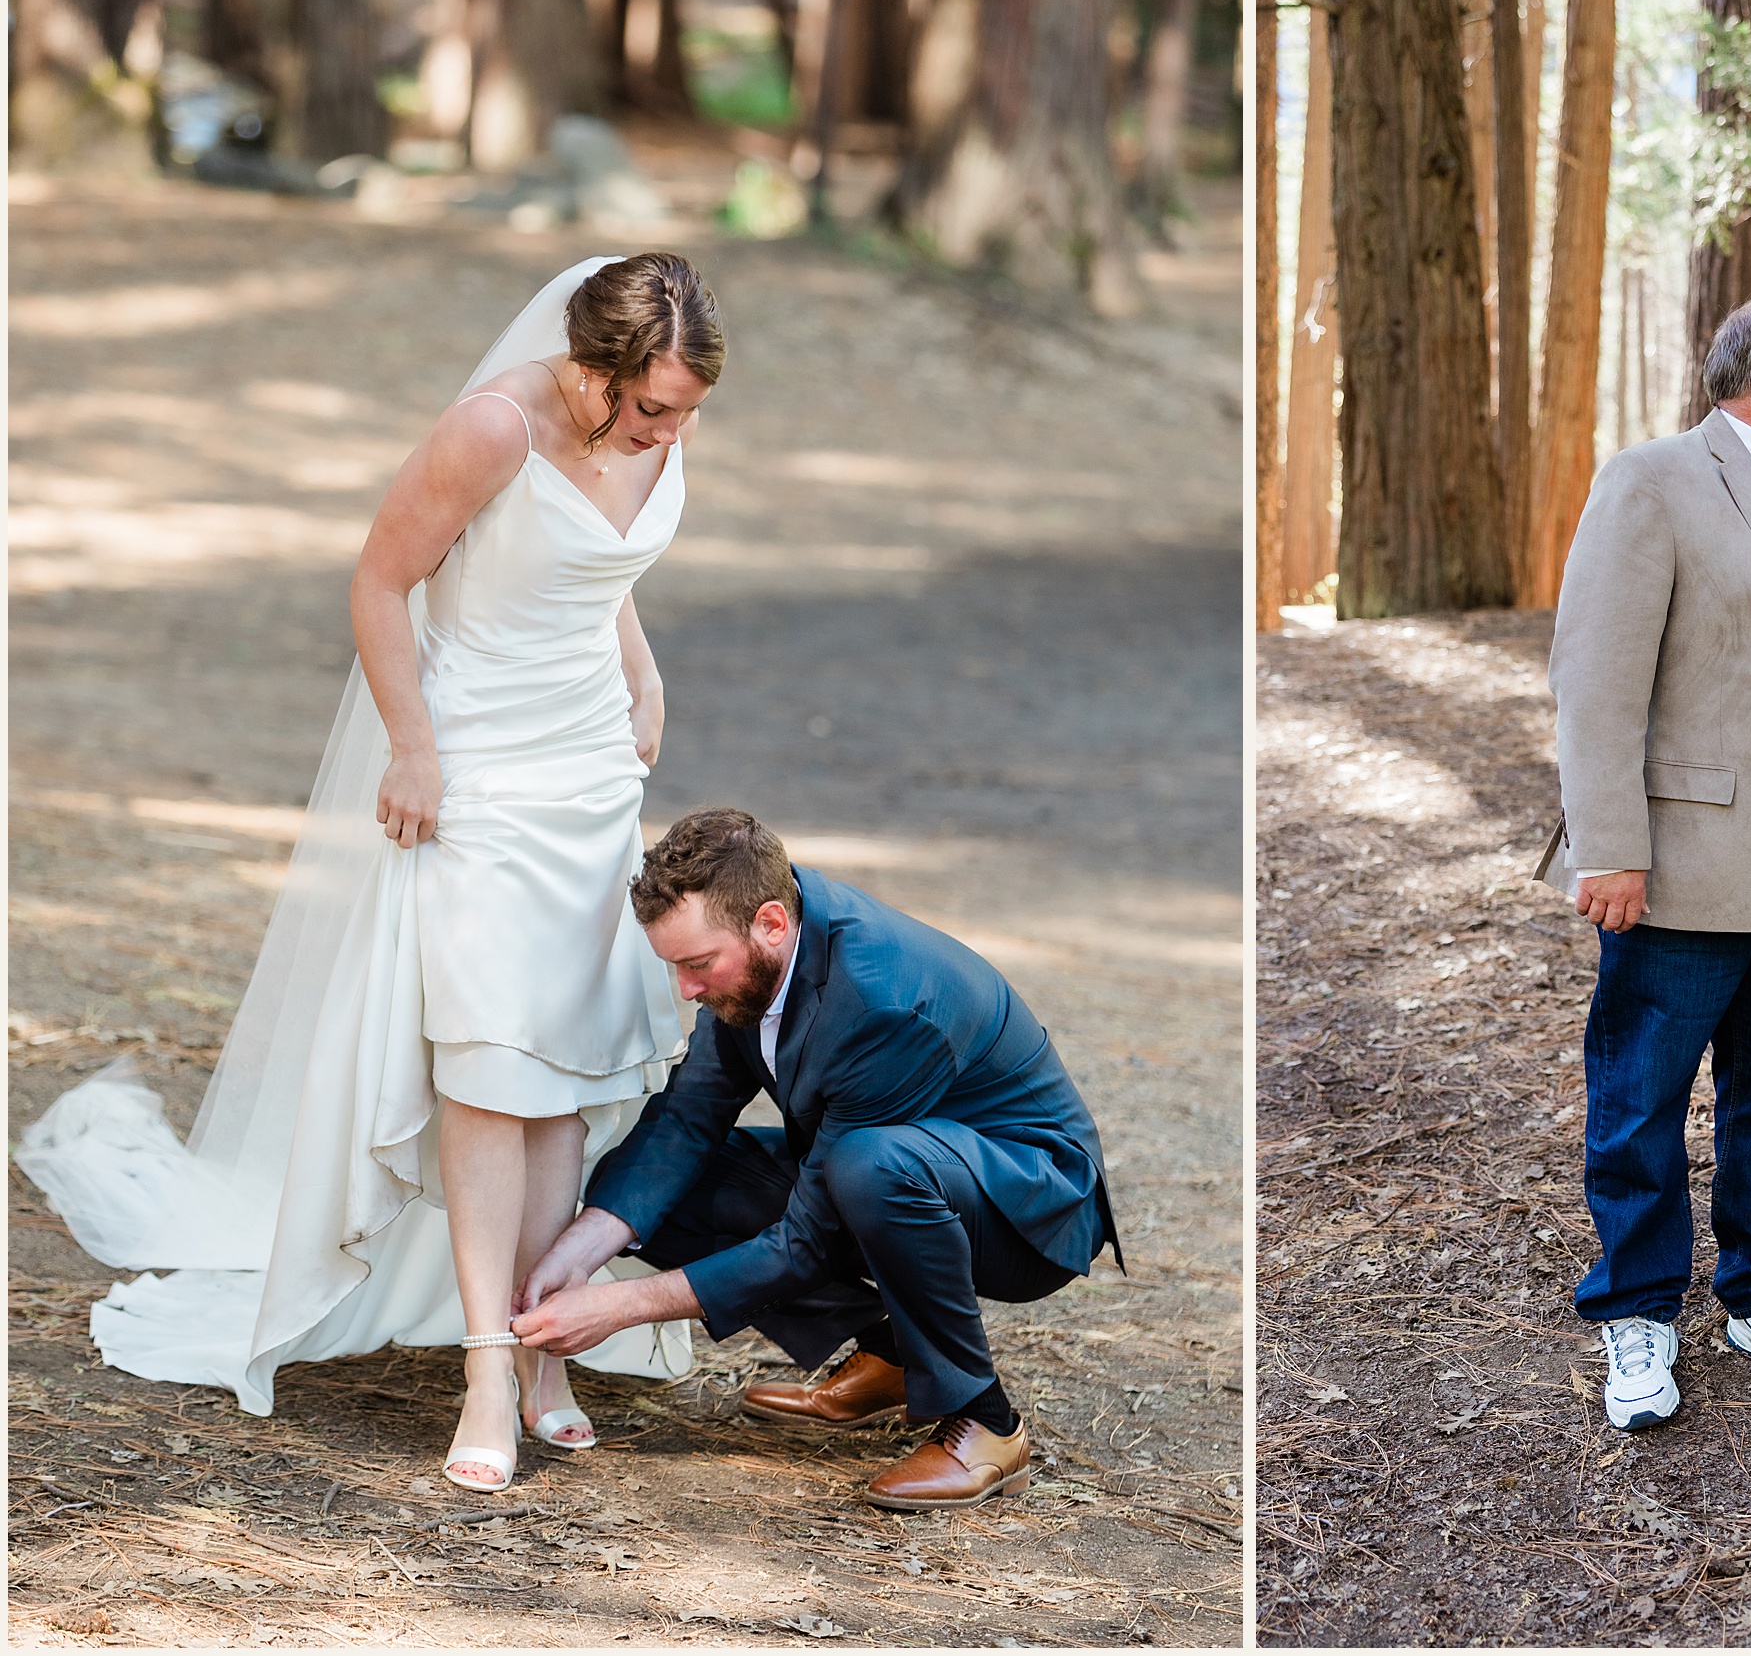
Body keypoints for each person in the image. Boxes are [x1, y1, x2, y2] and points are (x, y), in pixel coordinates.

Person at [20, 254, 725, 1494]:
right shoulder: (492, 427)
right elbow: (383, 580)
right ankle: (488, 1367)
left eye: (684, 409)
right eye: (652, 408)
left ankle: (550, 1341)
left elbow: (596, 562)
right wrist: (414, 747)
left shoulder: (657, 424)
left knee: (560, 1068)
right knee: (487, 1065)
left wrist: (645, 667)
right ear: (588, 371)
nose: (671, 430)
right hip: (484, 771)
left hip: (587, 771)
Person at [511, 808, 1124, 1512]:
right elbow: (687, 1118)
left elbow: (810, 1235)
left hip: (1028, 1206)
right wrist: (582, 1251)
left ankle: (987, 1423)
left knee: (871, 1167)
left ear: (770, 922)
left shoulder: (881, 1002)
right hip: (897, 1168)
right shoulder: (758, 955)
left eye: (697, 965)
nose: (686, 990)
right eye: (674, 966)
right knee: (661, 1192)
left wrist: (620, 1306)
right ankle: (895, 1356)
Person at [1538, 292, 1751, 1431]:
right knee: (1639, 1101)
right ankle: (1634, 1309)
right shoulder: (1654, 479)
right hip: (1677, 860)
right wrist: (1609, 848)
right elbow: (1595, 677)